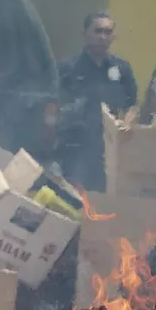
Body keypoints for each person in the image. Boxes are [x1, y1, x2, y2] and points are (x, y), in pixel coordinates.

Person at [57, 12, 138, 192]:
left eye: (108, 32)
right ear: (85, 34)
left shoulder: (121, 69)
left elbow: (132, 104)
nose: (103, 37)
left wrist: (126, 124)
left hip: (108, 149)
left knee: (105, 198)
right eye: (98, 31)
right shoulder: (68, 69)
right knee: (75, 198)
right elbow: (54, 106)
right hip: (76, 149)